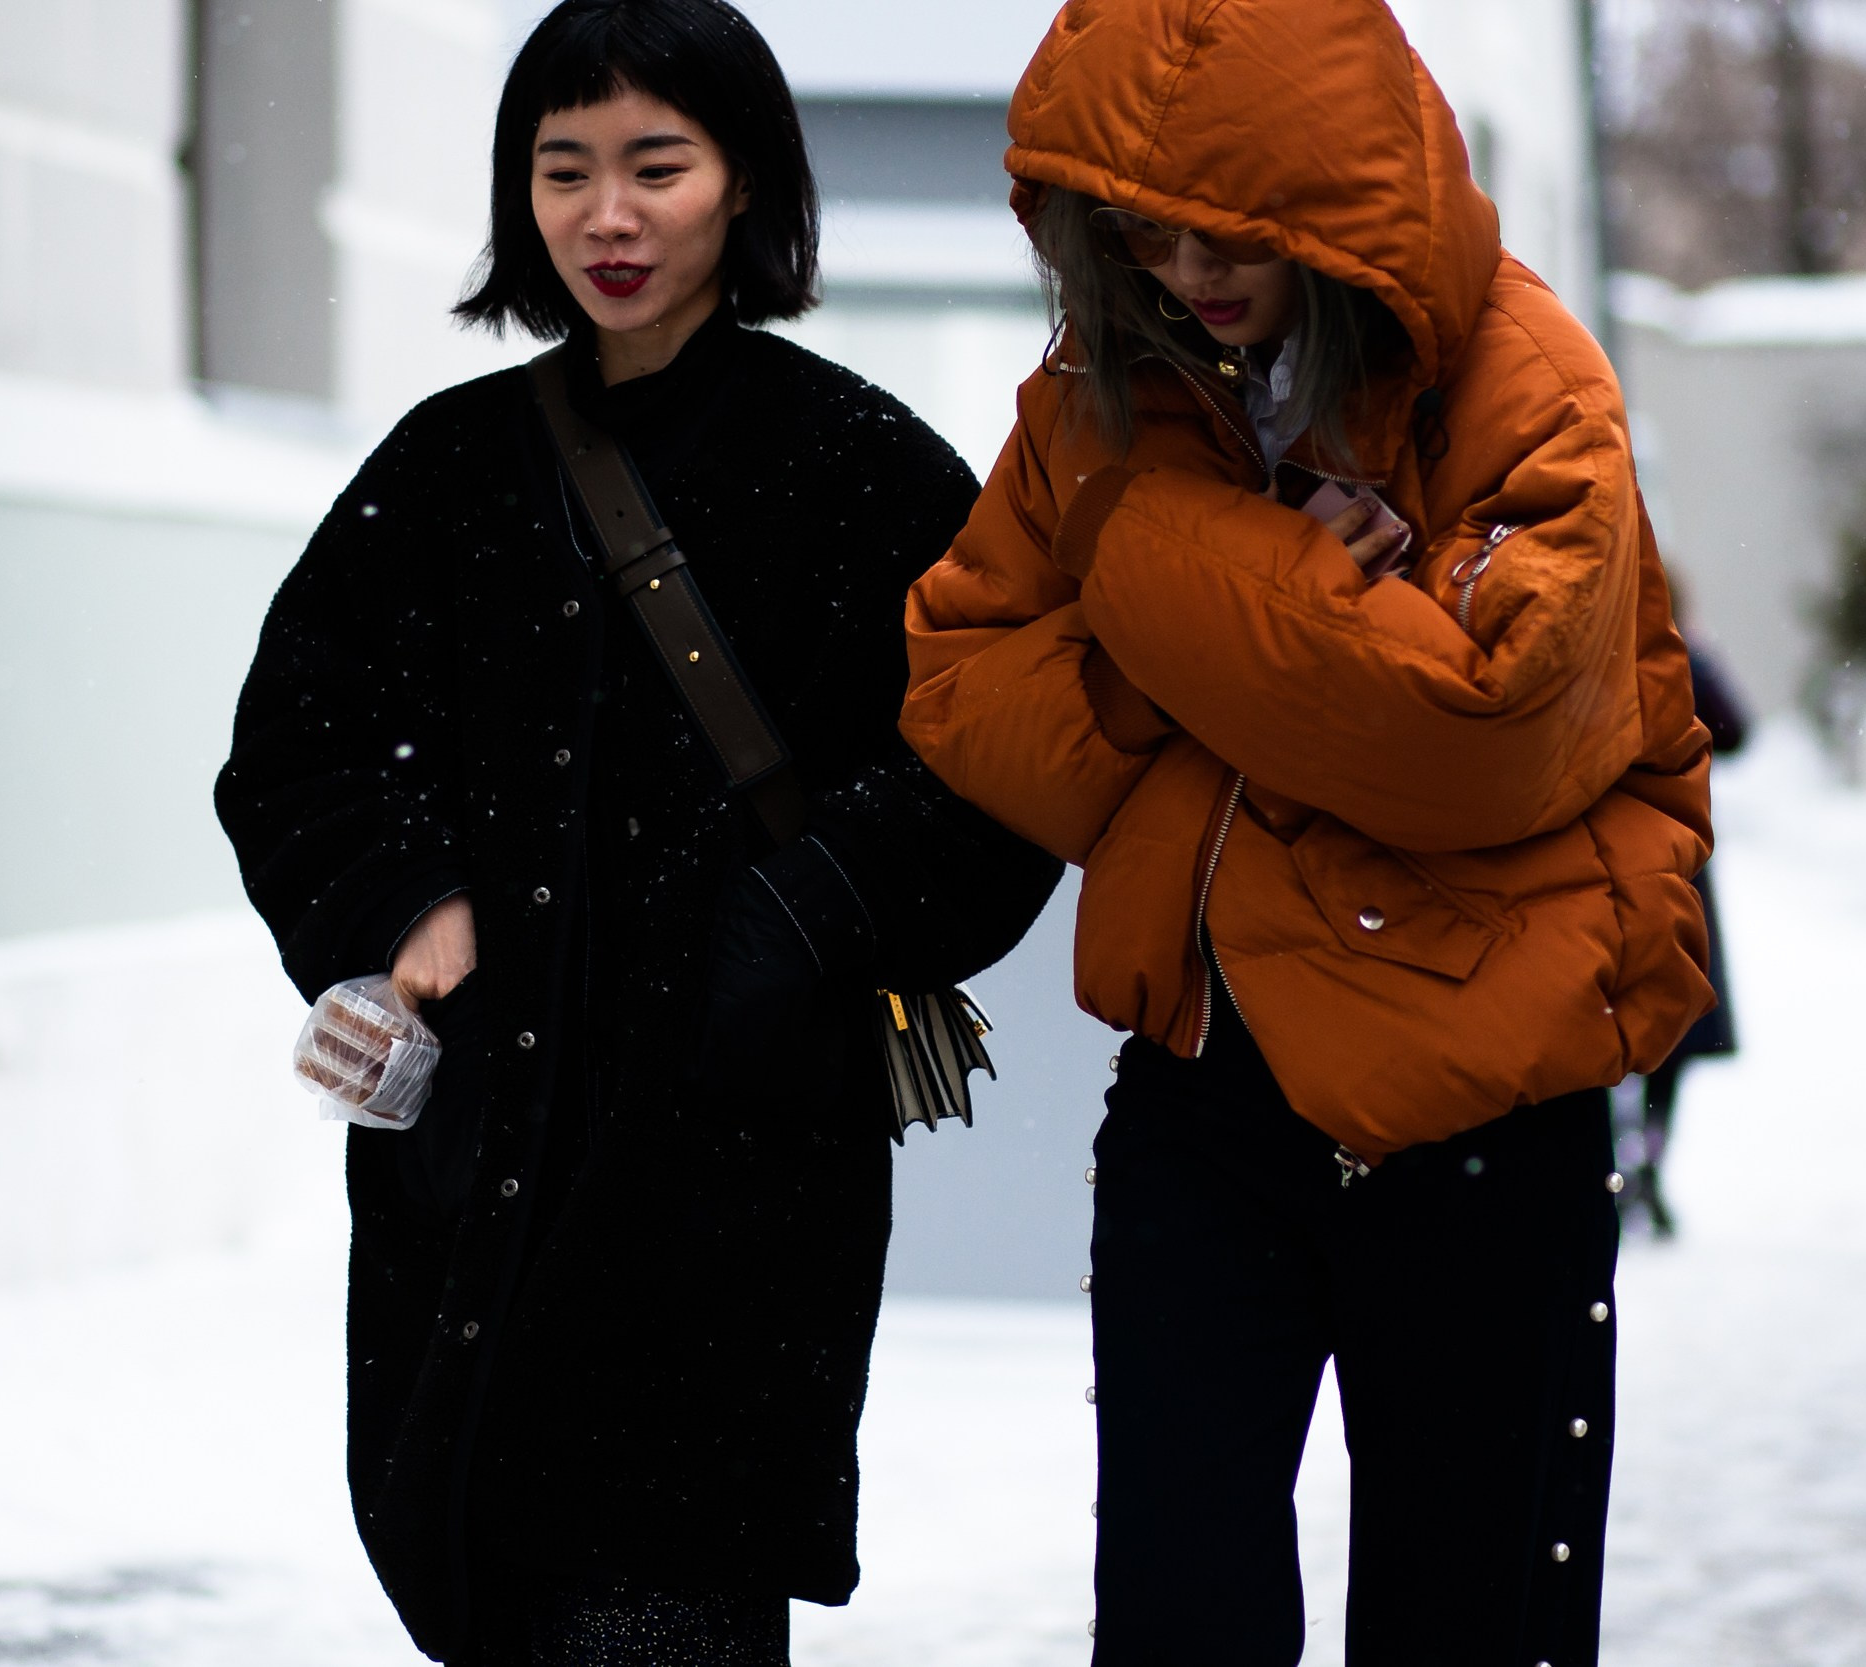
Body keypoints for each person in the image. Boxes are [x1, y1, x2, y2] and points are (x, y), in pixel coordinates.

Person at [214, 4, 1060, 1662]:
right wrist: (404, 904)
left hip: (730, 1203)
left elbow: (1005, 764)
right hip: (481, 1181)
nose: (608, 213)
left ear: (744, 184)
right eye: (564, 168)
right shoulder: (452, 468)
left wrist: (798, 927)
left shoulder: (864, 469)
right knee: (494, 1577)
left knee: (662, 1605)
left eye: (656, 166)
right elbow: (299, 740)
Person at [898, 2, 1716, 1662]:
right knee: (1181, 1624)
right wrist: (1282, 604)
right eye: (1148, 227)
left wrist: (1148, 575)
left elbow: (1480, 730)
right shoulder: (1096, 406)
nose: (1194, 271)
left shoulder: (1529, 381)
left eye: (1241, 231)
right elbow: (964, 691)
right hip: (1205, 1100)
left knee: (1470, 1622)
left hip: (1486, 1104)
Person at [1623, 633, 1750, 1237]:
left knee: (1610, 1021)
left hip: (1604, 856)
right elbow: (1734, 729)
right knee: (1668, 1023)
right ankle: (1646, 1157)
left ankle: (1625, 1164)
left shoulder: (1590, 647)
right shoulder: (1675, 653)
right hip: (1675, 851)